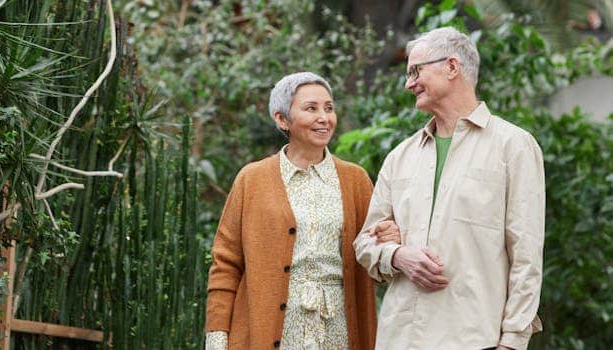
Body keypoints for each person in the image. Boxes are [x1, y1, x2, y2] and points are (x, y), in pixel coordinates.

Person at [354, 27, 545, 350]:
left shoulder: (513, 146)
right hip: (400, 339)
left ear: (452, 67)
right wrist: (398, 255)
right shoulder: (400, 156)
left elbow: (526, 255)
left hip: (473, 340)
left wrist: (513, 340)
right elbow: (365, 243)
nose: (408, 83)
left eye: (416, 71)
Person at [205, 72, 398, 349]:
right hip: (273, 331)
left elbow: (373, 252)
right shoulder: (252, 179)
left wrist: (388, 237)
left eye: (328, 108)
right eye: (311, 108)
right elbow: (226, 264)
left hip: (338, 331)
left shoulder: (355, 180)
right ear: (282, 119)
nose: (324, 117)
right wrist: (217, 337)